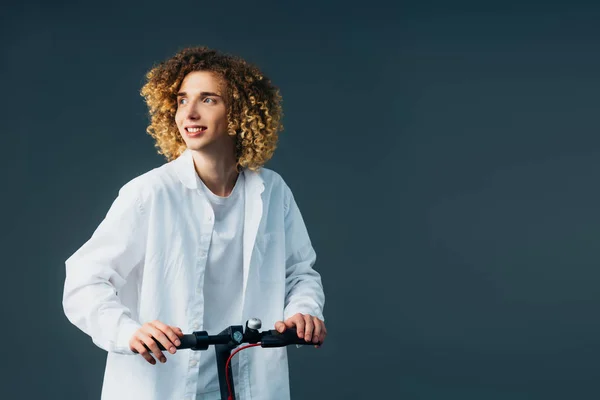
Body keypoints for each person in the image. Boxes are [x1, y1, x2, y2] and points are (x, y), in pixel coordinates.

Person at [62, 46, 326, 400]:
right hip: (163, 382)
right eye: (182, 99)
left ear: (239, 112)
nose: (190, 112)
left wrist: (302, 312)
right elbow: (84, 280)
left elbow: (299, 273)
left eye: (208, 99)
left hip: (248, 381)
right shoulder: (149, 193)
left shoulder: (272, 191)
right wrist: (128, 331)